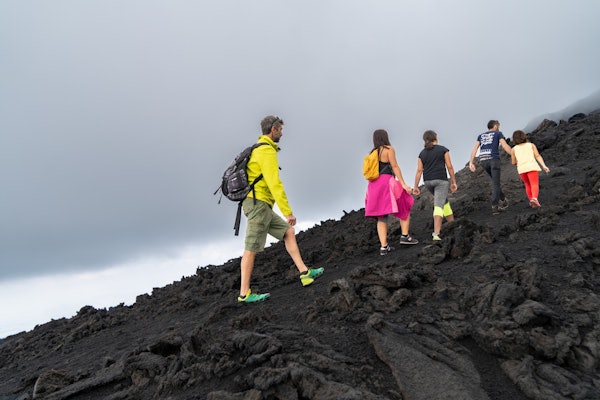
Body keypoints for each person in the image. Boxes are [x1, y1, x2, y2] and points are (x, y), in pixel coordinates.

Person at [238, 115, 324, 303]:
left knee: (288, 232)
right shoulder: (266, 150)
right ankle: (244, 294)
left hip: (260, 204)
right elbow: (274, 183)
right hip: (258, 205)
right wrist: (287, 212)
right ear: (273, 129)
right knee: (251, 248)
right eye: (281, 130)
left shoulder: (259, 149)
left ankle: (304, 272)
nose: (282, 133)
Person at [365, 129, 418, 256]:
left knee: (381, 216)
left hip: (373, 186)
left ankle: (384, 247)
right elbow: (394, 166)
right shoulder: (389, 149)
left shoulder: (372, 153)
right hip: (387, 182)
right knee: (405, 203)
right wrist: (403, 184)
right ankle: (405, 236)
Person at [413, 130, 458, 241]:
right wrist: (453, 182)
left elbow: (419, 170)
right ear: (435, 138)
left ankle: (453, 225)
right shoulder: (443, 150)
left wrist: (416, 186)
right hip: (440, 181)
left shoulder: (422, 153)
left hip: (428, 182)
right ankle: (436, 233)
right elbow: (449, 166)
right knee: (438, 205)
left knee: (444, 201)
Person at [468, 120, 513, 215]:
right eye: (498, 126)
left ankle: (503, 199)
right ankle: (494, 206)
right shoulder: (498, 133)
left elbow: (475, 149)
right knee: (496, 183)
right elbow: (504, 146)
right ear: (495, 126)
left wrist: (471, 162)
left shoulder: (481, 136)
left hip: (483, 161)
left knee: (495, 181)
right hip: (494, 160)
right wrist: (514, 155)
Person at [510, 130, 550, 208]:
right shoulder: (531, 145)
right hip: (532, 167)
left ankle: (532, 201)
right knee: (534, 184)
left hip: (522, 169)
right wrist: (544, 166)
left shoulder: (513, 149)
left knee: (527, 184)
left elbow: (513, 162)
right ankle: (535, 199)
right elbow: (537, 156)